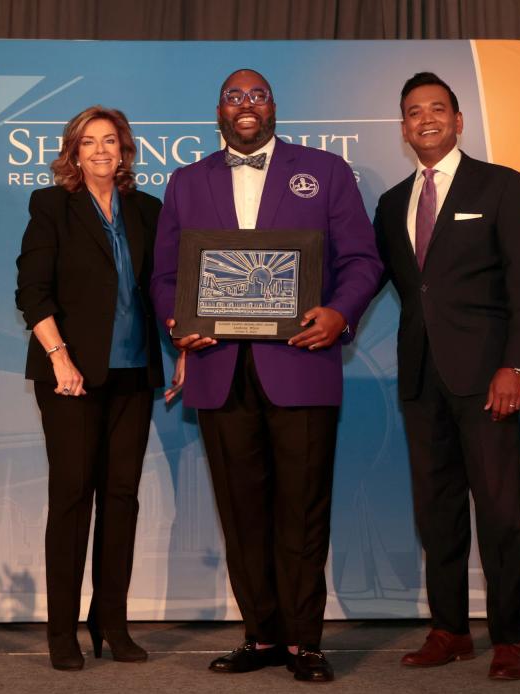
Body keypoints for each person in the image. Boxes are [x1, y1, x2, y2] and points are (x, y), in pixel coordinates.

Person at [150, 68, 382, 683]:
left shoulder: (326, 172)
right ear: (219, 110)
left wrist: (340, 314)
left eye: (256, 95)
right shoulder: (185, 181)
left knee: (302, 510)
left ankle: (305, 641)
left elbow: (362, 259)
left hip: (300, 366)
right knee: (241, 511)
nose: (245, 105)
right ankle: (260, 636)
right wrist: (178, 321)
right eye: (233, 96)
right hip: (219, 370)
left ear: (273, 106)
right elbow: (166, 276)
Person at [373, 72, 520, 681]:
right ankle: (450, 629)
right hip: (421, 380)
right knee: (436, 511)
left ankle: (509, 639)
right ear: (403, 127)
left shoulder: (499, 186)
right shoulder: (393, 203)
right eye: (413, 111)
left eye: (437, 109)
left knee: (499, 512)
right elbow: (383, 283)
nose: (425, 119)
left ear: (458, 120)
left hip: (486, 377)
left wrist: (515, 366)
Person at [15, 105, 164, 671]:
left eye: (111, 141)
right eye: (89, 142)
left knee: (121, 499)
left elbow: (163, 291)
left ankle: (112, 624)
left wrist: (182, 350)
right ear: (73, 152)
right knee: (73, 499)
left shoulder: (147, 209)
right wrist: (60, 357)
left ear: (125, 150)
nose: (101, 150)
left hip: (133, 373)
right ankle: (61, 632)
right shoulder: (52, 205)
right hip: (69, 377)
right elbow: (32, 290)